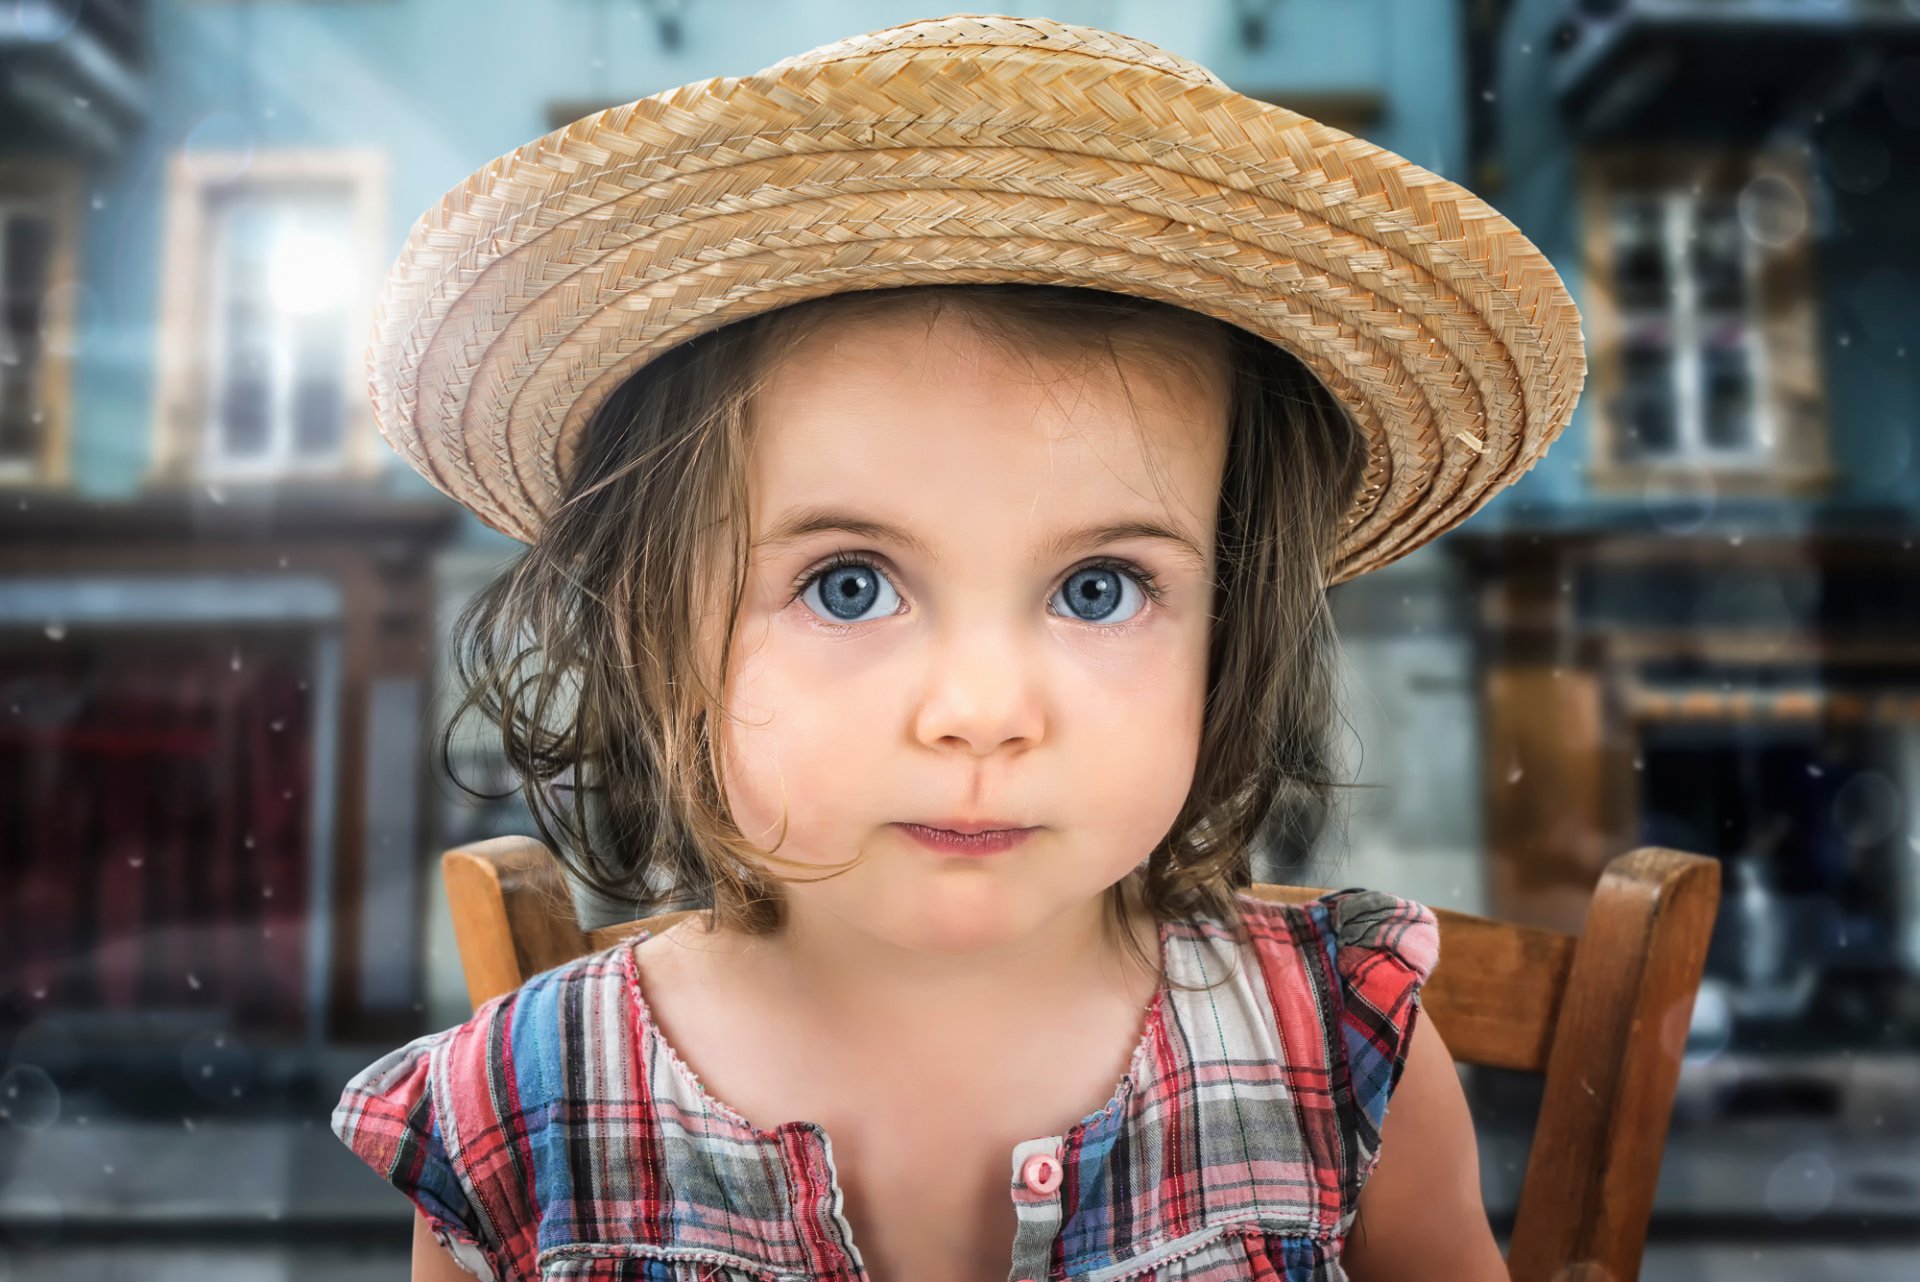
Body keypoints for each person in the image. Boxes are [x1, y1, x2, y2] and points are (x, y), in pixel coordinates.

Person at [332, 13, 1585, 1282]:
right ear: (657, 622)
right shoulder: (514, 1121)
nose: (983, 709)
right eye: (849, 585)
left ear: (1231, 624)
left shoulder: (1344, 1053)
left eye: (1099, 588)